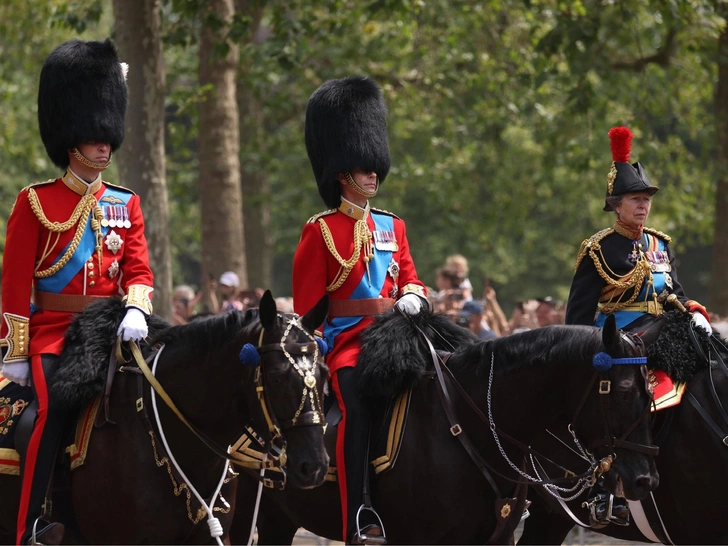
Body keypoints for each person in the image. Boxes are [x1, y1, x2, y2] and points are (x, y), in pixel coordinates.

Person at [0, 39, 154, 544]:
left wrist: (136, 306)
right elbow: (14, 282)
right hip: (52, 336)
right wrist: (15, 353)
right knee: (50, 416)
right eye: (93, 136)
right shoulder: (36, 201)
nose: (104, 145)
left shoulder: (125, 203)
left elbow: (139, 270)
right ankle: (29, 529)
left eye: (107, 135)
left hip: (112, 332)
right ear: (71, 139)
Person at [292, 76, 427, 545]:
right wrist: (323, 353)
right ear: (342, 173)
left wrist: (414, 294)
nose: (374, 176)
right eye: (364, 168)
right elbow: (309, 311)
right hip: (348, 343)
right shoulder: (320, 230)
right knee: (357, 409)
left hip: (398, 333)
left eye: (376, 168)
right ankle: (358, 514)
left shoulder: (394, 226)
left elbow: (411, 276)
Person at [565, 126, 710, 526]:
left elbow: (674, 292)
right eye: (635, 199)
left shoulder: (659, 244)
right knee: (624, 400)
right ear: (617, 204)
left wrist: (694, 310)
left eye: (646, 199)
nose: (643, 206)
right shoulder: (599, 249)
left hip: (664, 332)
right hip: (618, 343)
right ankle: (600, 487)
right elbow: (577, 313)